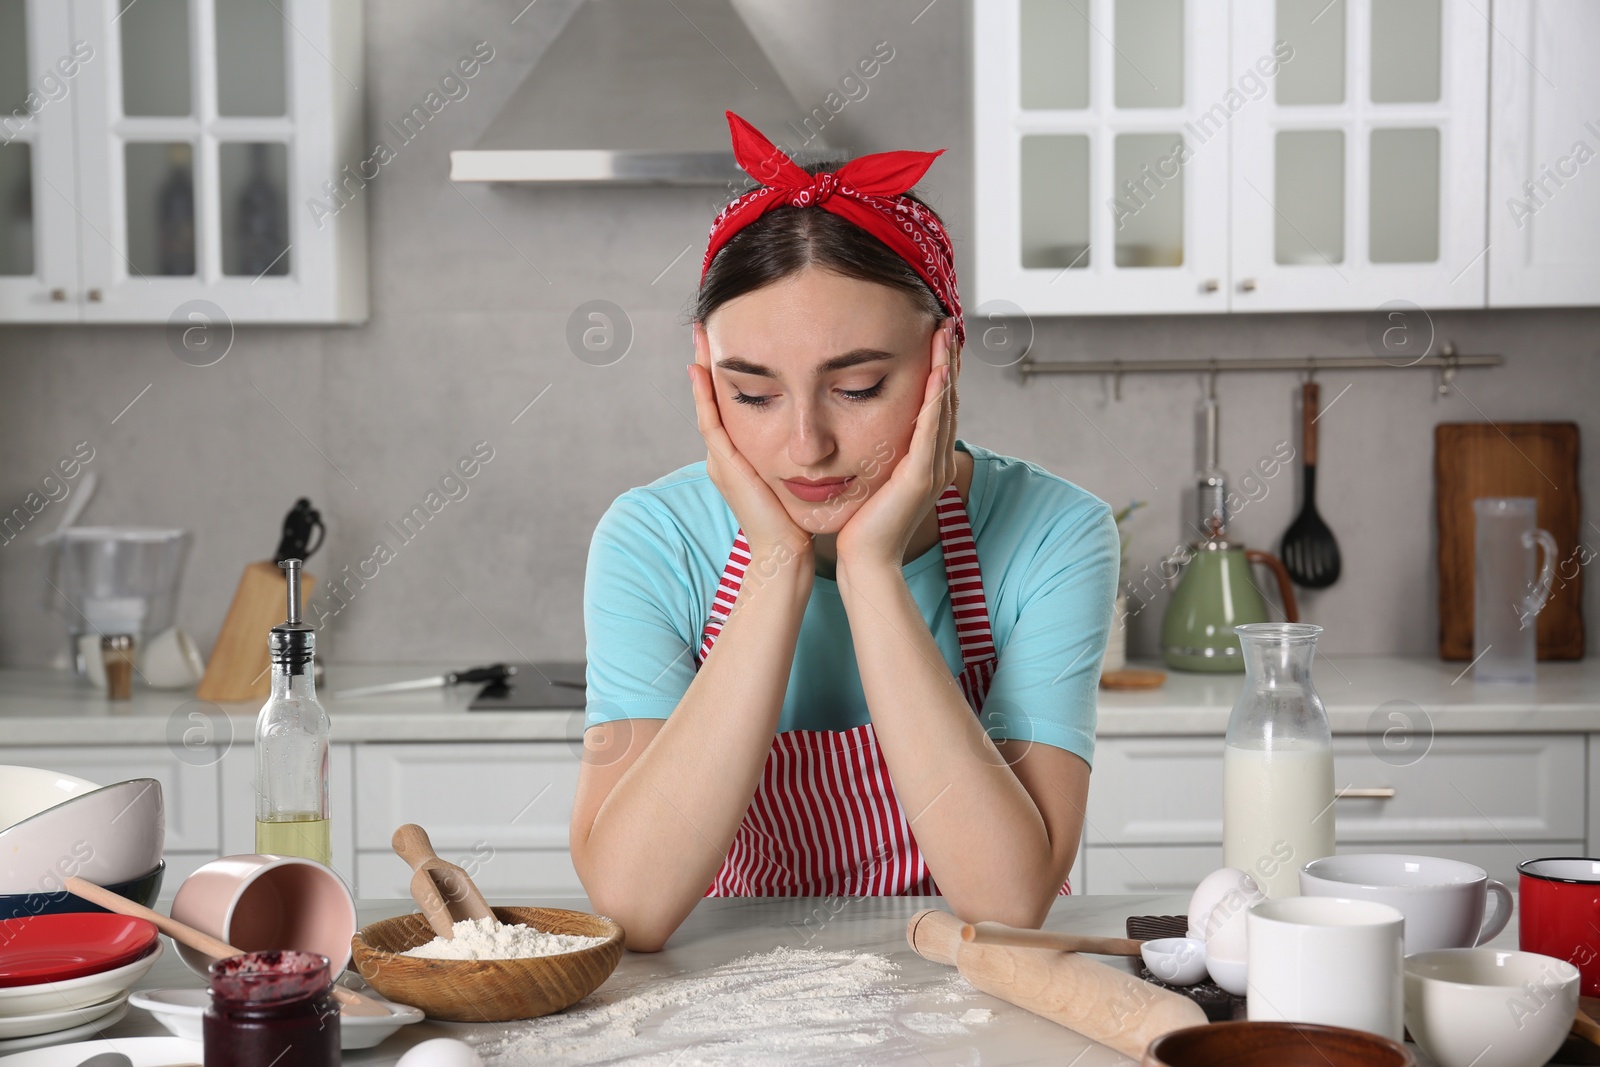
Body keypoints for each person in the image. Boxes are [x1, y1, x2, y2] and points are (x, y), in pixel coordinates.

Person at [571, 112, 1120, 952]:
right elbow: (634, 907)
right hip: (732, 1003)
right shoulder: (652, 539)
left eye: (858, 386)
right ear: (704, 377)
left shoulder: (1056, 533)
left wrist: (869, 570)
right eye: (752, 395)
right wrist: (778, 565)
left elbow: (1005, 904)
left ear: (947, 363)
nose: (806, 447)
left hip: (967, 1011)